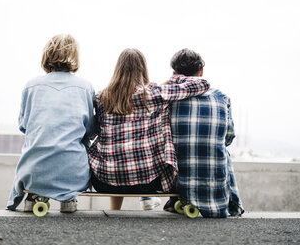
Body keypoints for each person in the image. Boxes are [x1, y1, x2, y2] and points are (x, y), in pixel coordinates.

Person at [87, 48, 210, 210]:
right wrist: (169, 81)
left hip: (103, 183)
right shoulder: (154, 94)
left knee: (114, 147)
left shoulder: (101, 97)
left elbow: (95, 131)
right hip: (148, 183)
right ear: (143, 69)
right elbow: (202, 84)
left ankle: (115, 209)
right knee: (158, 124)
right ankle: (146, 199)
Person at [7, 34, 95, 213]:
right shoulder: (85, 87)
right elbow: (91, 131)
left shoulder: (31, 86)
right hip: (73, 174)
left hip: (34, 173)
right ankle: (69, 200)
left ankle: (33, 197)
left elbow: (24, 125)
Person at [164, 48, 244, 218]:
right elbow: (228, 137)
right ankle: (233, 204)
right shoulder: (222, 97)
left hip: (178, 182)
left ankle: (175, 201)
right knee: (223, 150)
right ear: (201, 71)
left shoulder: (169, 98)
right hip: (216, 188)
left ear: (173, 73)